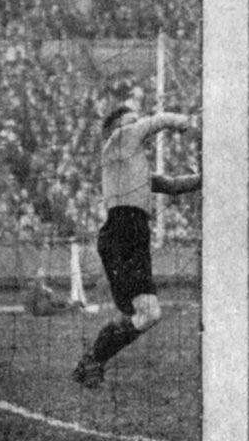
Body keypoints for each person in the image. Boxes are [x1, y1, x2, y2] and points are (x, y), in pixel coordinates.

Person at [71, 105, 201, 388]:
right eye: (131, 121)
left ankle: (91, 361)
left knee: (140, 314)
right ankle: (92, 361)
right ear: (115, 129)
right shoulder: (118, 141)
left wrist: (204, 179)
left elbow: (172, 185)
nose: (136, 125)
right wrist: (184, 121)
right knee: (147, 313)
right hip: (122, 231)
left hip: (132, 233)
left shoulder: (131, 165)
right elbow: (156, 122)